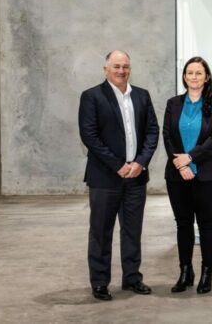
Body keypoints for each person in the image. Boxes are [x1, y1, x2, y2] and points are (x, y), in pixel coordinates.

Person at [78, 50, 159, 301]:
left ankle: (132, 278)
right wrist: (118, 165)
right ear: (106, 70)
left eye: (125, 66)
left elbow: (152, 131)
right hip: (105, 178)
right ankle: (100, 282)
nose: (121, 71)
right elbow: (89, 136)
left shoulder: (142, 96)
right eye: (116, 66)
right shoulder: (92, 96)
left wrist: (141, 162)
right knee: (101, 232)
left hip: (136, 176)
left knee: (132, 231)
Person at [163, 56, 212, 294]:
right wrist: (181, 165)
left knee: (206, 223)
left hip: (207, 174)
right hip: (177, 174)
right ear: (184, 76)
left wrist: (190, 158)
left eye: (199, 73)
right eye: (190, 72)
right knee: (183, 223)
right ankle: (185, 271)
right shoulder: (173, 103)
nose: (194, 77)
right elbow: (167, 136)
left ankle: (207, 273)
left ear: (206, 77)